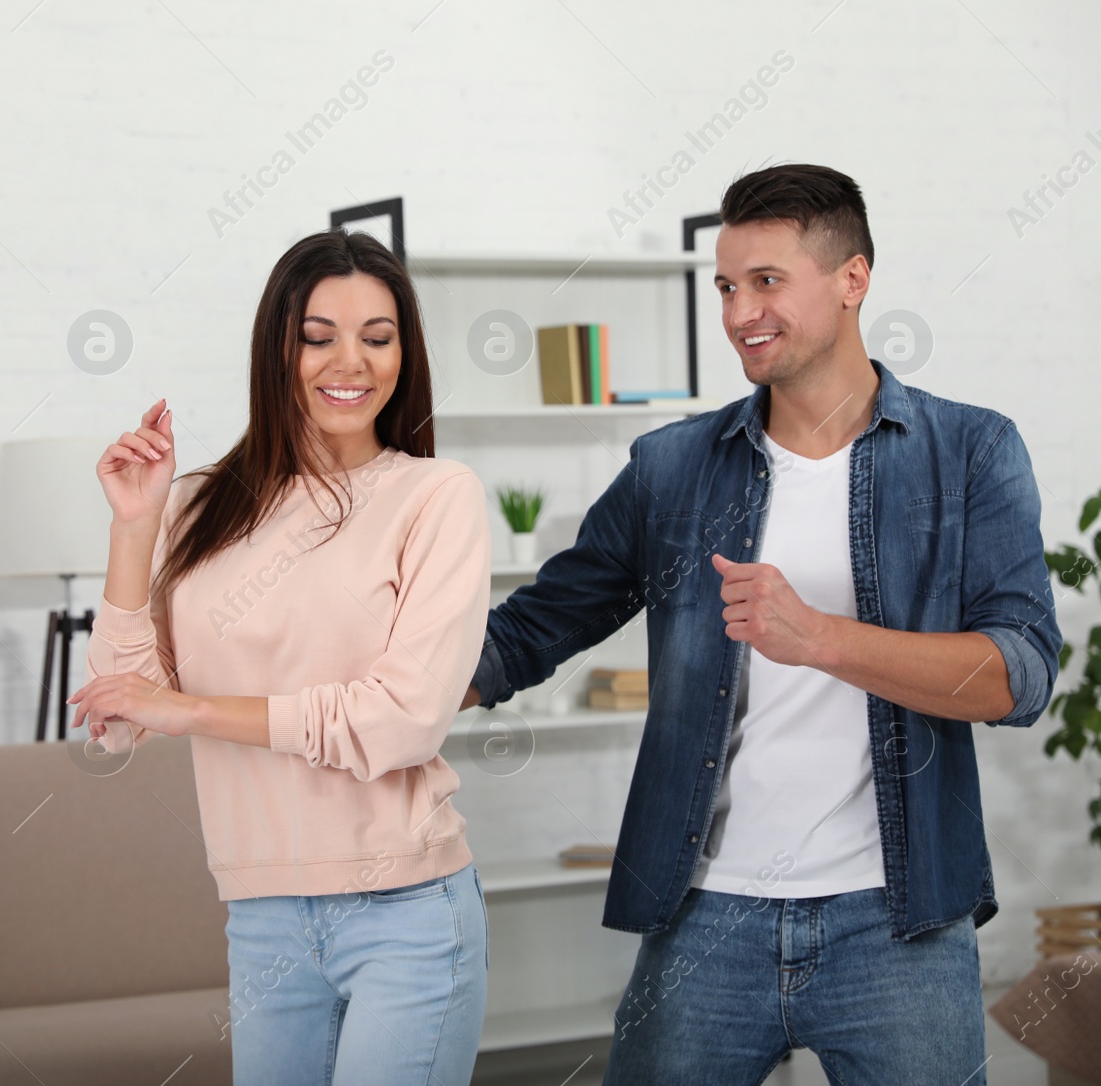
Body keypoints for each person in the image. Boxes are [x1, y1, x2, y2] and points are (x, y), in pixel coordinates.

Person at [463, 163, 1060, 1084]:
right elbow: (530, 632)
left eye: (768, 282)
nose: (742, 313)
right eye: (728, 287)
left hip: (900, 922)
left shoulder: (971, 451)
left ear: (853, 280)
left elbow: (1018, 677)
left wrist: (817, 635)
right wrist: (359, 696)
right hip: (705, 919)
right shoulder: (672, 467)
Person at [69, 229, 491, 1085]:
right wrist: (134, 527)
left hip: (404, 912)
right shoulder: (198, 507)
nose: (353, 362)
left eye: (379, 337)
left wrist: (190, 712)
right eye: (318, 336)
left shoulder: (434, 497)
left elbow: (402, 721)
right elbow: (116, 721)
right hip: (260, 916)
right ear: (277, 349)